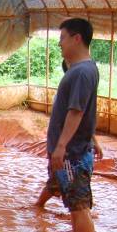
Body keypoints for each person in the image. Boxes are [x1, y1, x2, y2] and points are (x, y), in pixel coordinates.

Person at [34, 18, 100, 232]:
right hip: (73, 150)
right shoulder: (82, 69)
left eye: (62, 38)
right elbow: (85, 112)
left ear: (77, 38)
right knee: (74, 204)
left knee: (80, 206)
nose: (59, 43)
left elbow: (77, 111)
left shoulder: (82, 72)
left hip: (72, 153)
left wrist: (61, 146)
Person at [35, 58, 103, 209]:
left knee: (71, 193)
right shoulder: (68, 92)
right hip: (67, 152)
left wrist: (95, 142)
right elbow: (74, 118)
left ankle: (40, 205)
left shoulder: (79, 83)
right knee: (58, 185)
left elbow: (81, 118)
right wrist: (60, 147)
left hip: (71, 151)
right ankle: (39, 205)